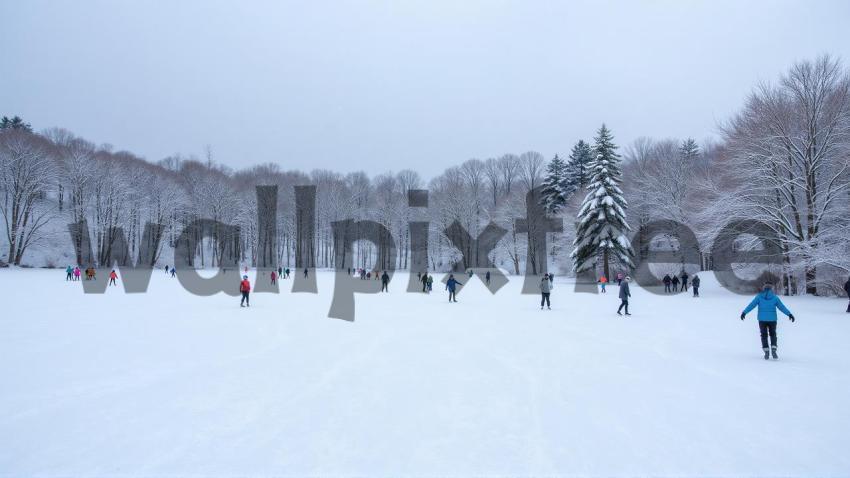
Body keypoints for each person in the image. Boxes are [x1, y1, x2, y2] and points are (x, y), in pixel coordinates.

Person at [741, 283, 795, 360]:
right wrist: (789, 314)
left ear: (764, 289)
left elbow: (751, 305)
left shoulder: (759, 297)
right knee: (773, 334)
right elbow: (782, 307)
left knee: (764, 335)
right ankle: (773, 349)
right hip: (772, 320)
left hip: (762, 319)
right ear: (771, 289)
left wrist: (744, 312)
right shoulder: (774, 297)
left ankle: (766, 351)